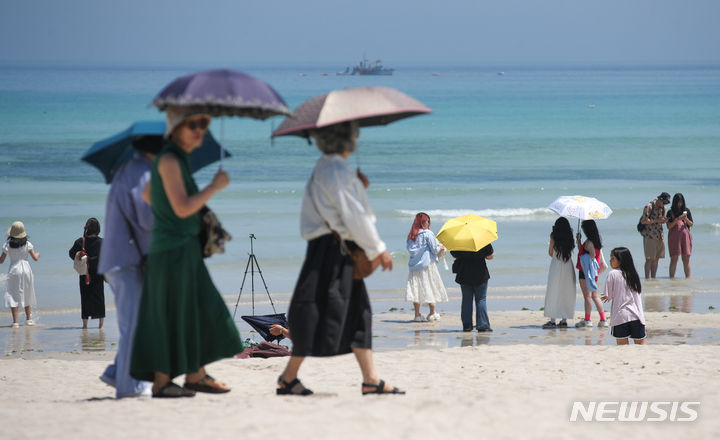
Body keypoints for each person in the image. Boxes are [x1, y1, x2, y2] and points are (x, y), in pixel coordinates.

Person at [277, 121, 403, 396]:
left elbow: (343, 208)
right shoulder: (335, 169)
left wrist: (359, 187)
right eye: (354, 133)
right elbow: (352, 214)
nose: (357, 137)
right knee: (316, 312)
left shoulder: (331, 167)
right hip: (332, 249)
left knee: (358, 313)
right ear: (346, 139)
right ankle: (288, 377)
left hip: (333, 247)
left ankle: (371, 379)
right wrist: (377, 249)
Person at [129, 107, 243, 398]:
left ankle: (195, 374)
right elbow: (181, 208)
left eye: (203, 124)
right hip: (173, 251)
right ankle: (164, 381)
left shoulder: (175, 160)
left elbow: (148, 194)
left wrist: (168, 216)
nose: (199, 130)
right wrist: (213, 187)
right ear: (174, 129)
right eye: (191, 124)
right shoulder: (169, 159)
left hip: (178, 248)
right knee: (179, 311)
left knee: (194, 309)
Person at [96, 138, 160, 398]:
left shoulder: (132, 170)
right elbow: (147, 219)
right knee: (133, 325)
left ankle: (116, 371)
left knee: (135, 322)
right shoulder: (143, 173)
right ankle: (131, 387)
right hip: (126, 261)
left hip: (121, 259)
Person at [405, 212, 448, 322]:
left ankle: (417, 315)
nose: (427, 223)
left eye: (428, 221)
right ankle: (432, 313)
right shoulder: (428, 233)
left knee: (416, 289)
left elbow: (410, 250)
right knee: (430, 286)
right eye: (425, 221)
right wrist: (441, 248)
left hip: (414, 265)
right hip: (427, 264)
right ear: (421, 222)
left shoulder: (411, 235)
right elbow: (434, 249)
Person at [601, 247, 646, 345]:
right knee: (641, 348)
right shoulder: (633, 274)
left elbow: (608, 295)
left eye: (613, 258)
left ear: (620, 260)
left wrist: (605, 296)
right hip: (637, 316)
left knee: (622, 348)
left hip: (620, 316)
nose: (610, 261)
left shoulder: (612, 273)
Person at [1, 221, 40, 328]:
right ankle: (29, 319)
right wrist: (38, 254)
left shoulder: (7, 245)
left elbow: (1, 261)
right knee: (27, 292)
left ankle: (15, 322)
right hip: (26, 270)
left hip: (14, 270)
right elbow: (35, 258)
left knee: (13, 294)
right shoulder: (27, 244)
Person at [69, 218, 105, 329]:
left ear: (87, 228)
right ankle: (101, 325)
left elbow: (71, 254)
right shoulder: (102, 242)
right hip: (98, 274)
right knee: (99, 298)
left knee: (85, 298)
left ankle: (85, 325)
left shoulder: (80, 241)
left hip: (84, 273)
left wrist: (79, 256)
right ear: (98, 229)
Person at [451, 244, 495, 332]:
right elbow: (490, 256)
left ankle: (467, 326)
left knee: (466, 300)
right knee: (481, 299)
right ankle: (483, 325)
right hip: (480, 273)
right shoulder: (482, 240)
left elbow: (454, 255)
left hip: (464, 273)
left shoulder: (459, 240)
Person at [542, 218, 576, 329]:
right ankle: (564, 320)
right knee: (566, 291)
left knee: (554, 290)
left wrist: (551, 237)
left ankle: (552, 320)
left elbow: (550, 253)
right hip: (567, 265)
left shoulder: (554, 236)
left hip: (556, 265)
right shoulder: (570, 237)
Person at [574, 220, 608, 328]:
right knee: (595, 296)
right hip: (594, 272)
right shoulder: (596, 241)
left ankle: (587, 320)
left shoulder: (589, 242)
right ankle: (603, 319)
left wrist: (589, 251)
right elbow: (583, 250)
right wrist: (579, 241)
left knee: (587, 296)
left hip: (585, 272)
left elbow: (592, 254)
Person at [639, 192, 670, 279]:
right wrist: (656, 220)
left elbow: (661, 219)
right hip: (649, 235)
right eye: (664, 202)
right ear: (660, 199)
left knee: (657, 258)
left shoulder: (663, 208)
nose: (664, 204)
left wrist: (664, 220)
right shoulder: (649, 206)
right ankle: (647, 278)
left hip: (659, 235)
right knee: (649, 258)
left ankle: (653, 278)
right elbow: (643, 221)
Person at [666, 193, 693, 279]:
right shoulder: (670, 212)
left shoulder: (686, 211)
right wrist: (677, 219)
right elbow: (669, 226)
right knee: (674, 258)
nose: (679, 204)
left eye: (681, 202)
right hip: (674, 237)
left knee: (686, 258)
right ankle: (671, 278)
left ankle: (688, 278)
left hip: (685, 236)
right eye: (678, 202)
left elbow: (691, 224)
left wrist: (685, 218)